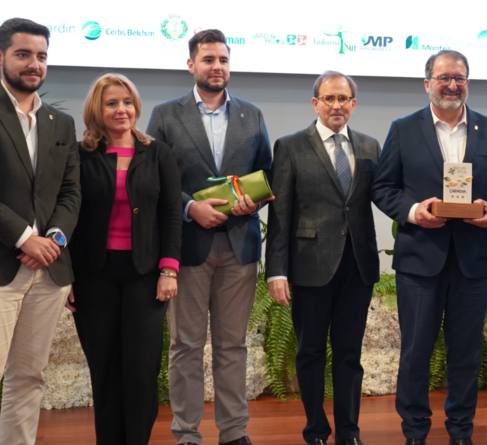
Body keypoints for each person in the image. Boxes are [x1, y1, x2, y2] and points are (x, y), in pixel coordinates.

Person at [372, 49, 487, 445]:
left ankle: (460, 431)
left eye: (459, 77)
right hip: (420, 260)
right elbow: (382, 187)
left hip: (471, 262)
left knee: (466, 354)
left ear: (467, 82)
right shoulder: (403, 129)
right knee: (416, 353)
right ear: (427, 84)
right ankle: (415, 431)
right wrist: (415, 211)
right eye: (444, 78)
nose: (452, 84)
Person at [146, 29, 272, 445]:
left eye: (223, 60)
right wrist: (188, 208)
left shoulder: (251, 115)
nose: (217, 67)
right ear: (191, 65)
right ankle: (186, 433)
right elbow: (155, 180)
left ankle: (234, 432)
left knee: (232, 346)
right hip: (187, 246)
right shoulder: (166, 115)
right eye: (208, 60)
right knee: (185, 346)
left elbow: (266, 175)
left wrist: (252, 201)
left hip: (240, 246)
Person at [266, 71, 380, 445]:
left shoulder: (369, 146)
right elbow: (280, 214)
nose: (336, 105)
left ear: (353, 104)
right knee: (310, 351)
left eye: (343, 98)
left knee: (350, 354)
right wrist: (276, 271)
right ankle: (315, 429)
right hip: (309, 267)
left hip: (357, 267)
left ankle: (349, 432)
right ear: (314, 103)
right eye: (328, 99)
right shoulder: (290, 146)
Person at [68, 73, 181, 444]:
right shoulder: (81, 154)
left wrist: (169, 269)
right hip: (93, 276)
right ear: (97, 110)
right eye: (112, 103)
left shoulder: (158, 152)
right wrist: (66, 276)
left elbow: (169, 213)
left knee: (140, 370)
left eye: (127, 102)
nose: (121, 110)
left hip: (145, 275)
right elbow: (68, 213)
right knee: (105, 370)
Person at [0, 17, 80, 445]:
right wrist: (22, 237)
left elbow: (71, 193)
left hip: (48, 270)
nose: (34, 64)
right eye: (24, 54)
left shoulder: (59, 124)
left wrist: (53, 240)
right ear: (2, 57)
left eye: (42, 56)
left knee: (29, 376)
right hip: (3, 267)